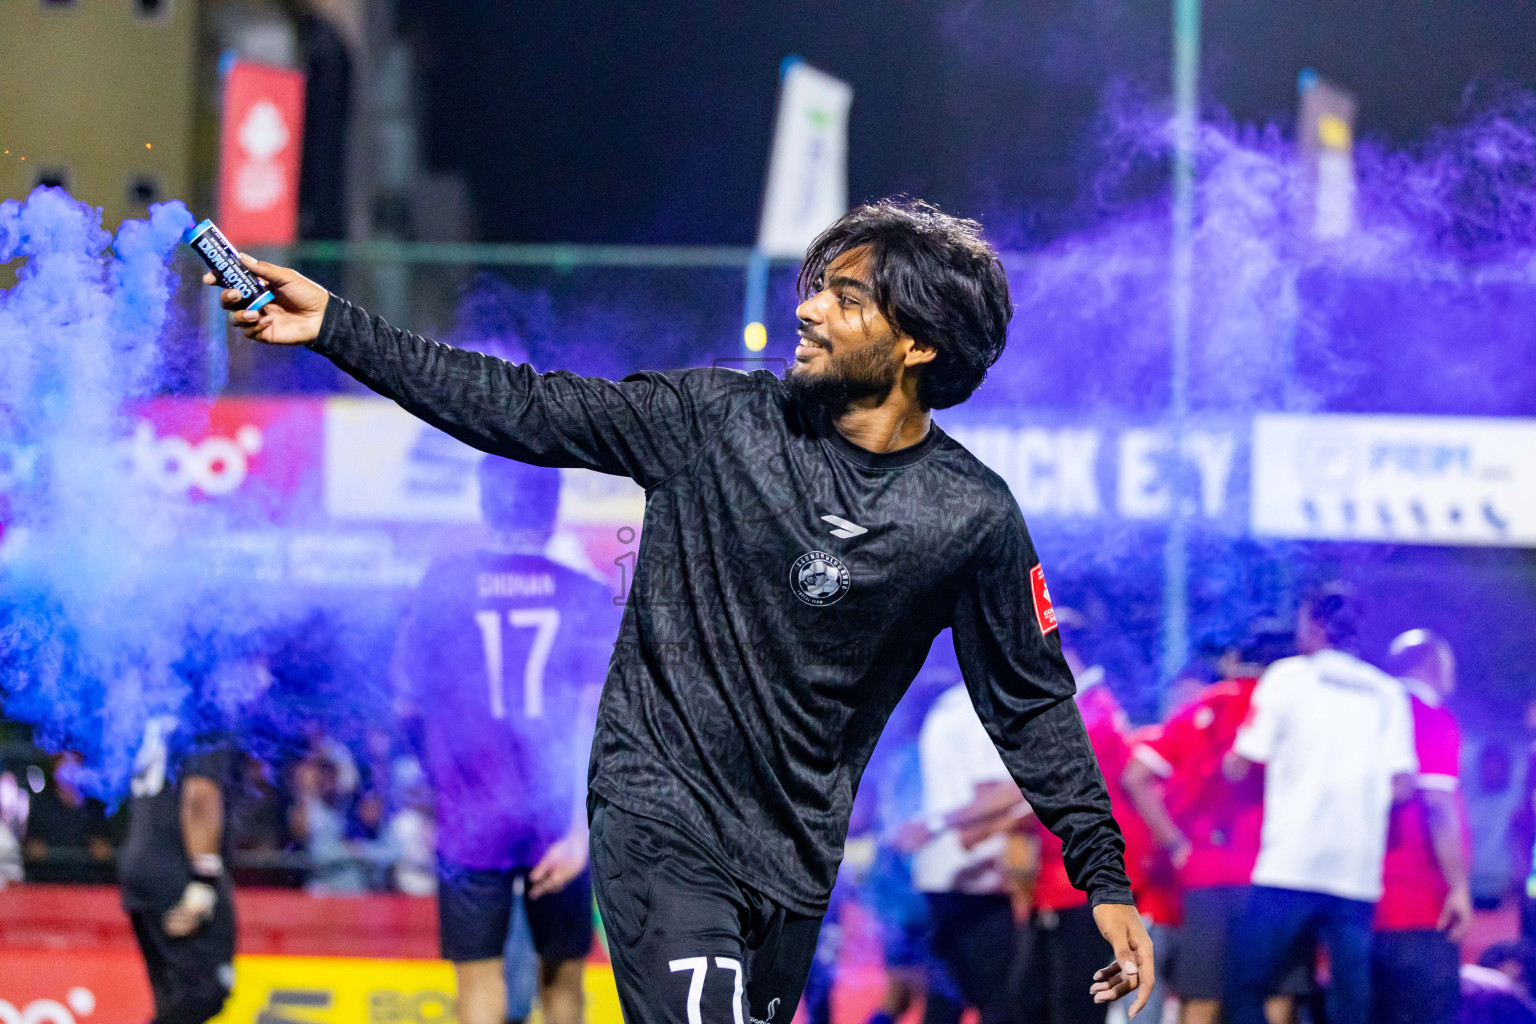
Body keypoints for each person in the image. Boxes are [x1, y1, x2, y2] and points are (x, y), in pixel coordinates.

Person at [208, 199, 1155, 1022]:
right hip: (658, 816)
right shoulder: (715, 421)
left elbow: (1030, 705)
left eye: (847, 296)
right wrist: (336, 324)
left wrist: (1103, 874)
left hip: (792, 862)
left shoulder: (973, 518)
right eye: (817, 285)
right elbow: (521, 408)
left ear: (918, 345)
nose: (810, 306)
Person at [393, 457, 614, 1024]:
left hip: (471, 816)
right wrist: (580, 831)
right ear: (553, 508)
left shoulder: (445, 587)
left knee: (480, 982)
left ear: (486, 503)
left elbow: (405, 699)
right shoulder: (587, 597)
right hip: (557, 820)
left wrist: (431, 779)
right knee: (562, 979)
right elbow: (600, 723)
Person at [1221, 584, 1418, 1024]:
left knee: (1246, 983)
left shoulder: (1288, 678)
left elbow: (1241, 763)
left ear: (1313, 625)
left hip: (1289, 863)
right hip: (1355, 870)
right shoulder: (1387, 693)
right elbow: (1403, 785)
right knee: (1350, 998)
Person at [1121, 622, 1308, 1024]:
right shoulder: (1299, 711)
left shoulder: (1204, 707)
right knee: (1276, 993)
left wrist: (1176, 844)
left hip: (1208, 872)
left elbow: (1136, 776)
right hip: (1277, 874)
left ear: (1232, 659)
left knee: (1203, 994)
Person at [911, 678, 1031, 1024]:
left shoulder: (949, 705)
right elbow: (997, 793)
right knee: (1000, 1000)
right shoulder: (984, 708)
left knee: (947, 997)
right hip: (977, 877)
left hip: (939, 871)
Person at [1370, 629, 1473, 1024]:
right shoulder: (1429, 716)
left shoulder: (1365, 715)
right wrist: (1459, 888)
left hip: (1361, 901)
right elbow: (1438, 807)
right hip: (1419, 903)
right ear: (1432, 665)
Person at [118, 712, 239, 1024]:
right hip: (178, 870)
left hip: (140, 862)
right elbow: (200, 796)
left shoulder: (161, 712)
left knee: (173, 996)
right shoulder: (207, 709)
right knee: (209, 988)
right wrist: (203, 881)